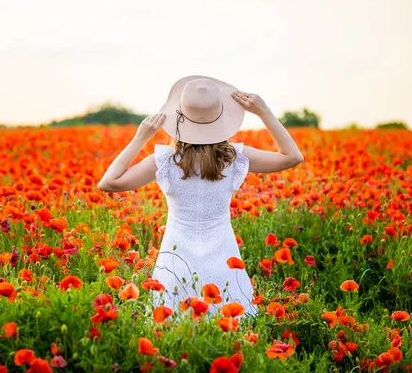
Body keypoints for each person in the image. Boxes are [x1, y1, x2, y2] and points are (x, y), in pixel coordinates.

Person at [98, 75, 304, 322]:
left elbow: (108, 183)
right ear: (221, 118)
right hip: (223, 257)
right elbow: (292, 156)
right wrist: (264, 112)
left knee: (173, 332)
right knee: (230, 330)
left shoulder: (165, 161)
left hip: (176, 260)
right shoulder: (233, 158)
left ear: (179, 118)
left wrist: (140, 138)